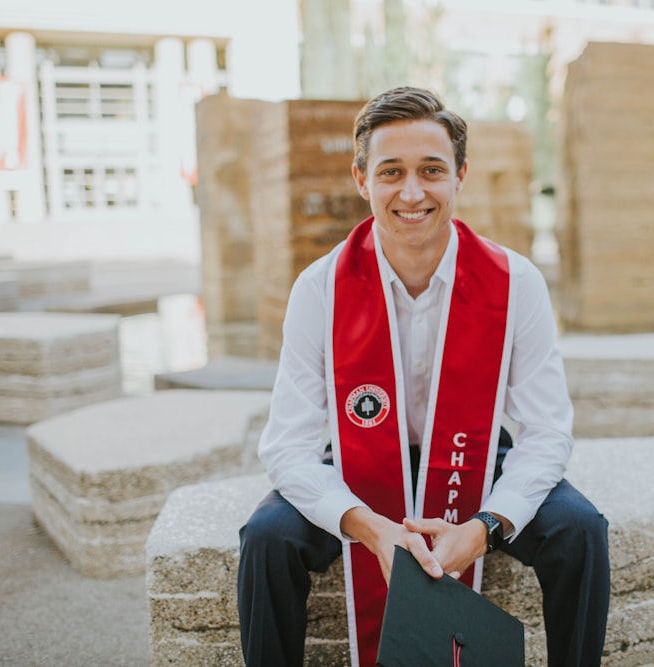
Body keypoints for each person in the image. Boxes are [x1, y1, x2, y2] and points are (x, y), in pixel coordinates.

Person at [237, 86, 610, 667]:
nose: (412, 192)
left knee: (581, 530)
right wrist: (370, 529)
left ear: (461, 174)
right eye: (391, 172)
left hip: (478, 457)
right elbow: (288, 446)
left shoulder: (516, 283)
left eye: (431, 170)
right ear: (362, 179)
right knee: (266, 539)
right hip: (358, 464)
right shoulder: (320, 289)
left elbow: (548, 432)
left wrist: (484, 526)